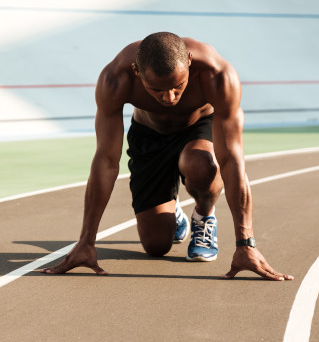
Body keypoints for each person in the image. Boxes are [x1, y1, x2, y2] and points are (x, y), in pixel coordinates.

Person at [40, 32, 293, 281]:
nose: (170, 97)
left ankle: (203, 215)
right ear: (137, 72)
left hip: (199, 128)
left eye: (178, 86)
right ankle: (173, 215)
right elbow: (106, 161)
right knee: (156, 246)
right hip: (149, 136)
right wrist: (86, 241)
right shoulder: (116, 78)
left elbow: (231, 160)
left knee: (202, 164)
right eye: (157, 90)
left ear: (190, 62)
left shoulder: (217, 75)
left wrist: (245, 243)